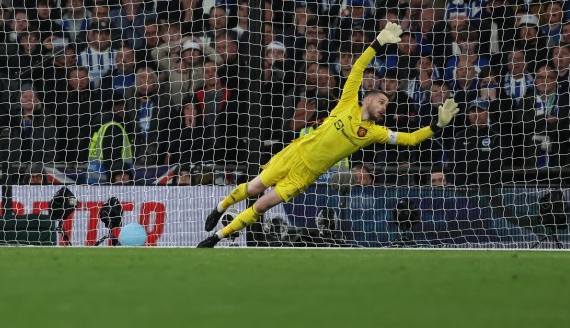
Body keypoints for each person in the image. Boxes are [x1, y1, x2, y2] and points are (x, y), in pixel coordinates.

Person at [197, 22, 460, 247]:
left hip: (306, 175)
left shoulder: (373, 133)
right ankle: (219, 208)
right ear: (368, 100)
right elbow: (357, 67)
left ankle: (217, 237)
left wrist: (436, 126)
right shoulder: (348, 102)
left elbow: (411, 139)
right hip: (295, 153)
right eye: (382, 102)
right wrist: (379, 41)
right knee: (254, 187)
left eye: (386, 106)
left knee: (263, 205)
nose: (384, 107)